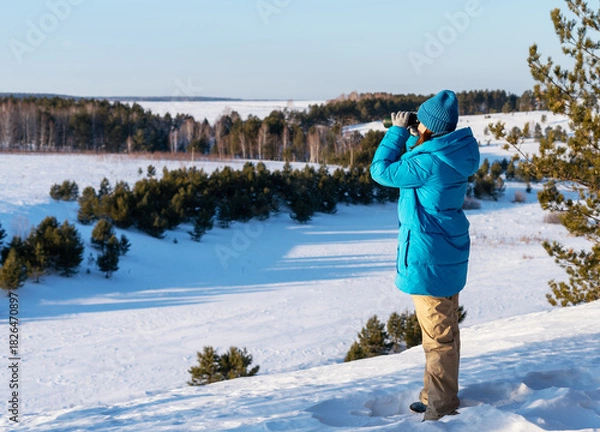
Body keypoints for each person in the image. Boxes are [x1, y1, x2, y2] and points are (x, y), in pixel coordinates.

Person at [370, 90, 480, 421]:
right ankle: (436, 393)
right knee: (445, 332)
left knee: (438, 338)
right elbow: (414, 166)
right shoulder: (451, 153)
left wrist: (396, 131)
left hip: (428, 255)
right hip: (446, 251)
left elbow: (382, 170)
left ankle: (441, 408)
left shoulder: (428, 162)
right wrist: (414, 135)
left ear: (429, 127)